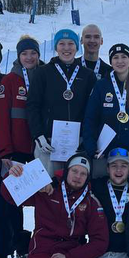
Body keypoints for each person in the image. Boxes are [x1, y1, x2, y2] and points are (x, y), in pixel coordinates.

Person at [0, 35, 43, 258]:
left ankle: (40, 244)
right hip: (18, 152)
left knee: (43, 200)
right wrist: (6, 152)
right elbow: (2, 119)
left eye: (33, 53)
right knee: (12, 203)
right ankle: (16, 246)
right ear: (19, 56)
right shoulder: (10, 80)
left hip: (42, 151)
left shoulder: (45, 76)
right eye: (25, 53)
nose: (29, 57)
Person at [26, 29, 97, 175]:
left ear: (77, 47)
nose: (66, 48)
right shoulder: (43, 72)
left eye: (71, 43)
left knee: (75, 186)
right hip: (49, 142)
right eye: (61, 44)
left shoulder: (88, 75)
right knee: (47, 187)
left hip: (77, 143)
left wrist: (86, 138)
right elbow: (33, 105)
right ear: (56, 47)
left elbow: (93, 110)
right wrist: (38, 135)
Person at [83, 43, 129, 179]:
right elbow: (90, 119)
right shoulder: (102, 85)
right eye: (115, 57)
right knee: (101, 188)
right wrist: (92, 149)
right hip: (103, 152)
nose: (120, 61)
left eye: (123, 57)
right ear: (111, 61)